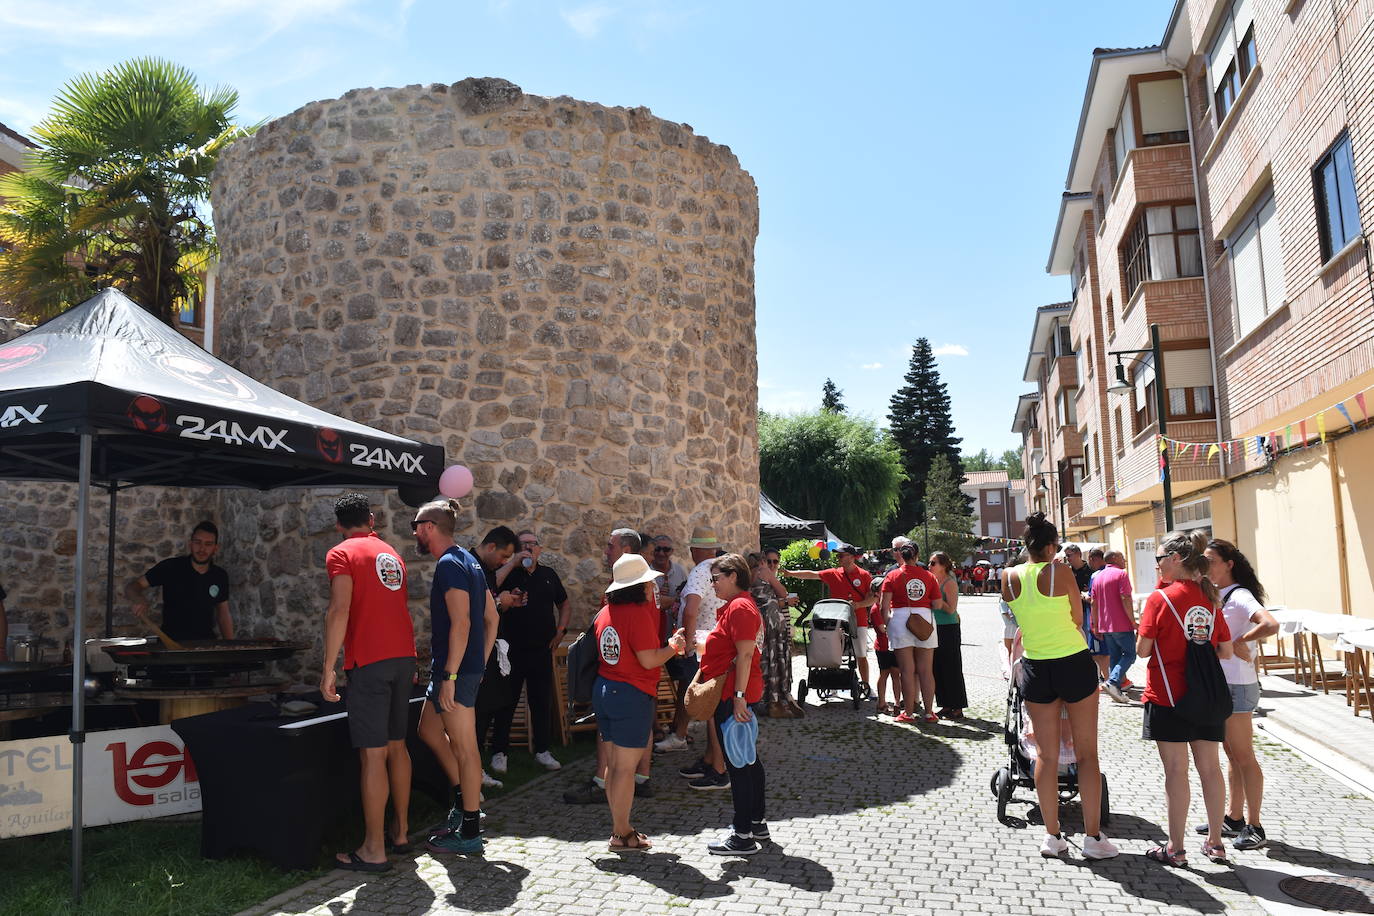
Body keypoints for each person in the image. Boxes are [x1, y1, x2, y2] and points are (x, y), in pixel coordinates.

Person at [1003, 513, 1116, 861]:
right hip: (1072, 662)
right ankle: (1093, 838)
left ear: (1026, 545)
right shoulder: (1061, 571)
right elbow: (1076, 619)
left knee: (1045, 755)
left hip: (1036, 667)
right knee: (1086, 755)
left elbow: (1018, 617)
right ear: (1052, 547)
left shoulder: (1008, 577)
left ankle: (1053, 837)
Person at [319, 493, 416, 872]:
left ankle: (374, 849)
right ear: (372, 519)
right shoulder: (391, 552)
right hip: (402, 657)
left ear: (340, 525)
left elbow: (340, 608)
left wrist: (328, 667)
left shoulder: (341, 553)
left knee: (373, 755)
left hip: (370, 661)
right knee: (397, 746)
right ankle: (402, 832)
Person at [1138, 530, 1234, 867]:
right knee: (1211, 769)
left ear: (1176, 559)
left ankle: (1176, 849)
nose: (1158, 566)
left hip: (1167, 695)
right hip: (1205, 695)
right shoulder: (1208, 597)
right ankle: (1217, 842)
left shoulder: (1159, 599)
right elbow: (1225, 649)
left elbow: (1142, 650)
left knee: (1176, 772)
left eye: (1160, 559)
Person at [412, 498, 500, 855]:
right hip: (457, 669)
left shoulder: (450, 564)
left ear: (429, 528)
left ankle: (470, 829)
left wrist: (452, 675)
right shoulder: (469, 561)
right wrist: (478, 661)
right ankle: (463, 805)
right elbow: (492, 618)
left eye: (416, 526)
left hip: (453, 672)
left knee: (464, 747)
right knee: (429, 731)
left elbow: (464, 621)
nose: (414, 533)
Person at [593, 553, 688, 850]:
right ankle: (622, 833)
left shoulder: (605, 612)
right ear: (640, 587)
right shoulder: (636, 614)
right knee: (624, 769)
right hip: (630, 695)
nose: (652, 588)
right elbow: (649, 660)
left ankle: (619, 829)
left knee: (613, 765)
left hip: (606, 689)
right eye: (649, 583)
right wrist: (673, 646)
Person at [566, 527, 656, 804]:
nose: (606, 551)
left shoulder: (624, 602)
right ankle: (634, 787)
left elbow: (644, 652)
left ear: (626, 551)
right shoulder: (637, 599)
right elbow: (646, 652)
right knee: (630, 748)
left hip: (622, 681)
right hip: (633, 682)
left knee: (618, 755)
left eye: (610, 546)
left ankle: (608, 785)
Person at [1200, 538, 1279, 851]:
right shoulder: (1217, 594)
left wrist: (1242, 640)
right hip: (1224, 684)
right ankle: (1233, 817)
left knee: (1244, 755)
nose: (1207, 568)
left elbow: (1270, 623)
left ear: (1229, 564)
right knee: (1232, 753)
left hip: (1238, 685)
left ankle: (1255, 824)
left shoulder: (1241, 595)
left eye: (1212, 561)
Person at [698, 553, 767, 856]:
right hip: (736, 693)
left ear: (733, 576)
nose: (712, 584)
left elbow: (746, 655)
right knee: (749, 759)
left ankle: (742, 835)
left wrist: (738, 697)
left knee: (738, 765)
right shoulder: (738, 606)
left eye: (715, 578)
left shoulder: (740, 607)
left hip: (734, 696)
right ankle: (756, 822)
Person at [487, 529, 569, 775]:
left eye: (533, 544)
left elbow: (564, 602)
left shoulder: (548, 574)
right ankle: (499, 752)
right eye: (524, 544)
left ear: (540, 549)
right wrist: (512, 563)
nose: (529, 548)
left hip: (541, 650)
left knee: (541, 702)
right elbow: (491, 588)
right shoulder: (508, 573)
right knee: (506, 703)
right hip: (511, 651)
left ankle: (543, 751)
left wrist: (561, 630)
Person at [675, 527, 733, 790]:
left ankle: (718, 769)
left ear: (694, 551)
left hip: (703, 649)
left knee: (711, 710)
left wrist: (686, 643)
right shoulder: (723, 568)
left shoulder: (700, 571)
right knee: (715, 708)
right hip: (718, 646)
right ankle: (711, 760)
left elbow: (691, 610)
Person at [781, 545, 874, 698]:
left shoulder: (864, 575)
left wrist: (859, 605)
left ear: (851, 557)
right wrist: (790, 573)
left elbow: (873, 598)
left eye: (841, 556)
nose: (838, 559)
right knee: (832, 652)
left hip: (859, 621)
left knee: (861, 654)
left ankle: (866, 686)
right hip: (836, 622)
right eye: (837, 557)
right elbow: (812, 575)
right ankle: (832, 685)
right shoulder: (833, 573)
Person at [127, 521, 233, 641]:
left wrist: (230, 646)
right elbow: (134, 586)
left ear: (215, 548)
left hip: (205, 647)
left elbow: (223, 613)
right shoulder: (171, 567)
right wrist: (139, 599)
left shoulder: (220, 576)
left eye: (208, 544)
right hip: (171, 646)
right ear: (190, 544)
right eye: (198, 542)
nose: (202, 549)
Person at [472, 526, 520, 784]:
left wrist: (503, 600)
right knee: (478, 714)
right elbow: (475, 607)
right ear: (491, 547)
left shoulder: (486, 569)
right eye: (503, 556)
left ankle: (476, 767)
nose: (503, 562)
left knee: (489, 709)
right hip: (478, 652)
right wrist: (500, 602)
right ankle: (471, 772)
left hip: (491, 651)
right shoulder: (471, 566)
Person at [879, 543, 943, 724]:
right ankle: (930, 712)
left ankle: (908, 712)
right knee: (926, 670)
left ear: (901, 555)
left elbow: (884, 607)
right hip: (924, 620)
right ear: (917, 555)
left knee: (906, 670)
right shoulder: (929, 576)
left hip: (899, 619)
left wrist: (886, 624)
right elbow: (938, 605)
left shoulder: (892, 575)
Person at [749, 551, 800, 718]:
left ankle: (763, 699)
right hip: (771, 621)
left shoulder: (749, 575)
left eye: (775, 562)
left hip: (758, 621)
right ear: (763, 562)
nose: (771, 565)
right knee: (775, 658)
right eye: (768, 561)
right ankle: (775, 700)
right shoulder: (764, 573)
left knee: (764, 659)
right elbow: (783, 592)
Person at [1091, 551, 1137, 703]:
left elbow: (1094, 603)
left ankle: (1115, 689)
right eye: (1123, 557)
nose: (1125, 560)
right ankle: (1112, 682)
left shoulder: (1098, 577)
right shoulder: (1121, 574)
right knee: (1130, 654)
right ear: (1115, 559)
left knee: (1115, 656)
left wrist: (1095, 625)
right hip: (1121, 623)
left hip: (1105, 625)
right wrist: (1132, 621)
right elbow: (1126, 598)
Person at [928, 551, 967, 719]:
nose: (929, 566)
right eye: (929, 563)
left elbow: (951, 608)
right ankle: (944, 704)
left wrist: (938, 601)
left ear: (943, 566)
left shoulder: (949, 583)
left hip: (949, 627)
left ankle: (957, 706)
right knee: (937, 667)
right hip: (934, 627)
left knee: (952, 667)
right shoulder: (932, 581)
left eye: (933, 563)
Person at [1065, 544, 1109, 682]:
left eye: (1069, 555)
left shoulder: (1090, 569)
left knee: (1092, 646)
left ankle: (1099, 674)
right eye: (1066, 556)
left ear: (1078, 554)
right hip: (1072, 612)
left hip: (1088, 612)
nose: (1067, 558)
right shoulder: (1067, 571)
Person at [872, 581, 901, 715]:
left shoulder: (890, 605)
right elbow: (882, 629)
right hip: (883, 647)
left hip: (894, 645)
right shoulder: (876, 608)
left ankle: (897, 703)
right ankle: (881, 703)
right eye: (882, 590)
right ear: (877, 593)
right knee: (884, 673)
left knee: (896, 674)